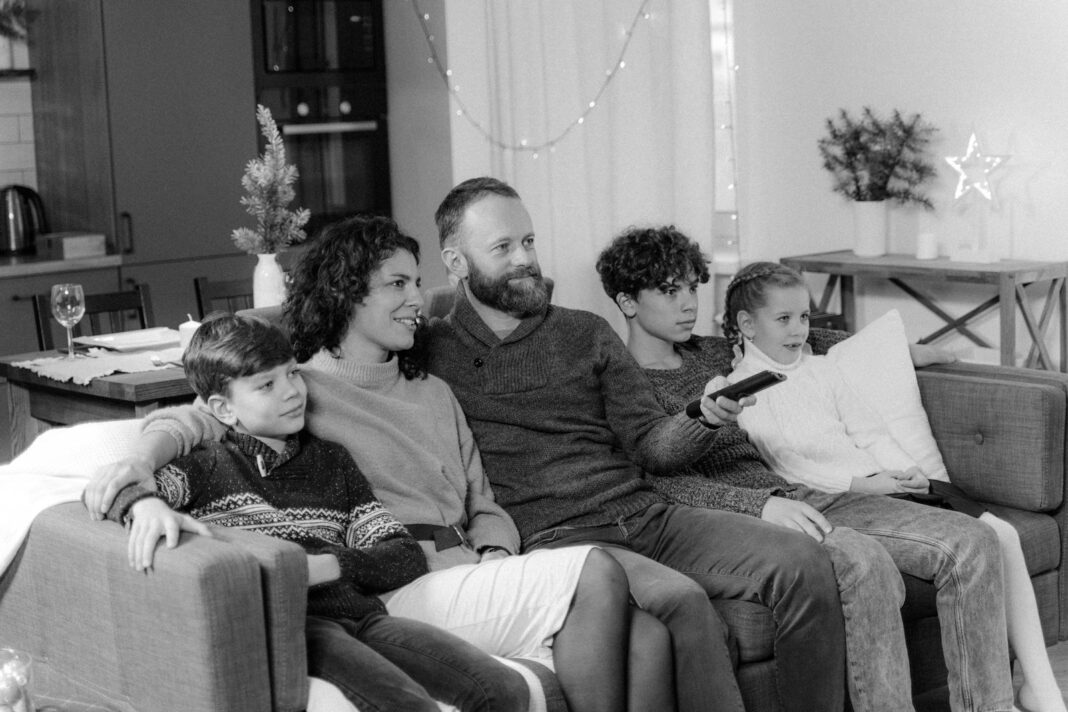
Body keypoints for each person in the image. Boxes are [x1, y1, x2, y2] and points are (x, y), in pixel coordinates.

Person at [86, 217, 674, 712]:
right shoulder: (297, 386)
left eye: (417, 282)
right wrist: (138, 465)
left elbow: (482, 501)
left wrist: (495, 555)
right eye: (397, 284)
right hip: (401, 579)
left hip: (468, 571)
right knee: (597, 571)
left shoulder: (432, 391)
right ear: (346, 293)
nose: (418, 300)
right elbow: (197, 422)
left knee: (646, 633)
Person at [424, 176, 850, 712]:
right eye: (502, 247)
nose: (524, 259)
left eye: (529, 241)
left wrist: (702, 418)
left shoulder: (585, 332)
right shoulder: (433, 350)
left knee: (803, 560)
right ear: (457, 262)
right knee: (683, 602)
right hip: (562, 542)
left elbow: (651, 445)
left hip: (647, 515)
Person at [593, 225, 1039, 712]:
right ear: (628, 302)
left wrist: (900, 351)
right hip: (746, 516)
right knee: (863, 562)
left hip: (800, 494)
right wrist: (758, 505)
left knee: (974, 542)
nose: (688, 303)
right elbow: (656, 476)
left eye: (692, 288)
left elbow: (807, 338)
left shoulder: (711, 351)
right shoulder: (622, 380)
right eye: (669, 290)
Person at [102, 313, 529, 712]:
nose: (291, 392)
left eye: (291, 373)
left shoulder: (332, 462)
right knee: (409, 705)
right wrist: (145, 504)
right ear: (223, 408)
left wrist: (324, 567)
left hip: (362, 616)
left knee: (504, 687)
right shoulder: (207, 466)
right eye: (266, 386)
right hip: (299, 624)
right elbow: (111, 490)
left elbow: (402, 555)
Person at [724, 260, 1066, 712]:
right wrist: (865, 485)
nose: (798, 330)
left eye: (805, 317)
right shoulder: (737, 389)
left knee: (986, 536)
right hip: (832, 499)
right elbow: (787, 465)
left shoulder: (823, 370)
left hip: (881, 487)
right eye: (783, 319)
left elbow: (868, 431)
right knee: (974, 542)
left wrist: (903, 471)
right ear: (747, 324)